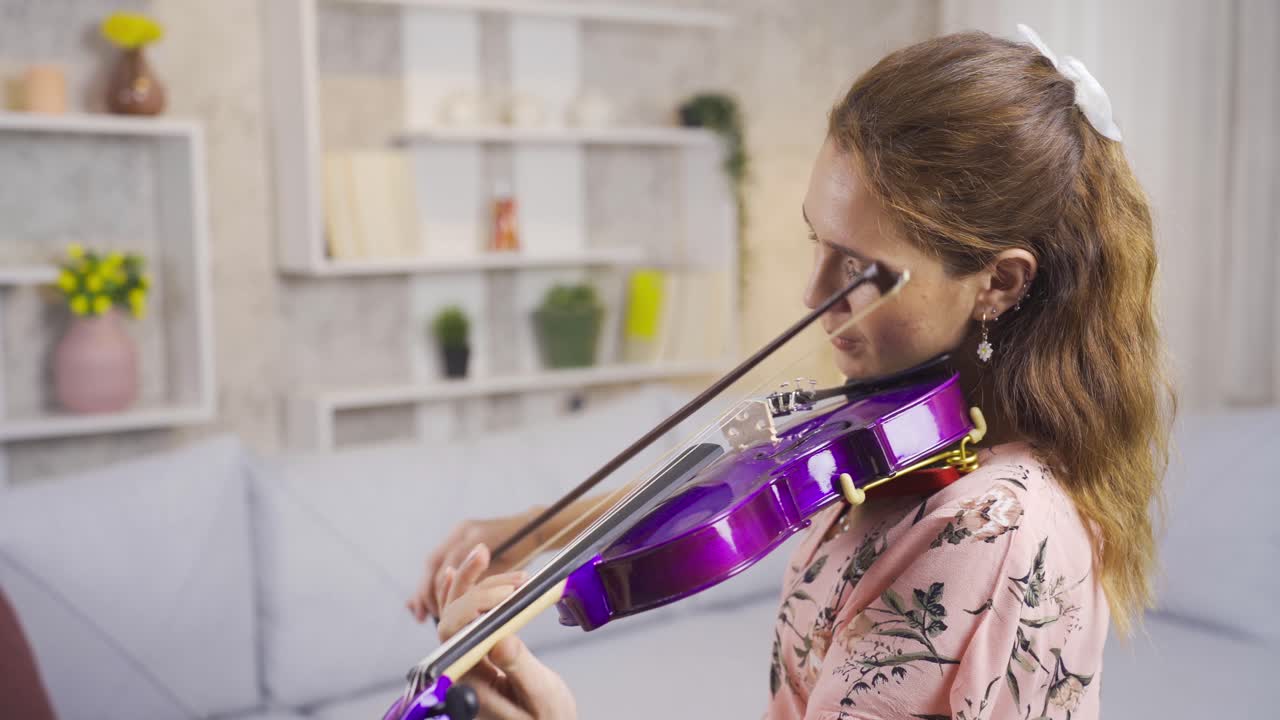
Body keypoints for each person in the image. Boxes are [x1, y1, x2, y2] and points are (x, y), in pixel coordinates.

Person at [407, 25, 1171, 720]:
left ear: (998, 283)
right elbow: (739, 475)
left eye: (861, 270)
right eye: (817, 242)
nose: (814, 294)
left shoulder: (986, 529)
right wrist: (539, 532)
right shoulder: (917, 438)